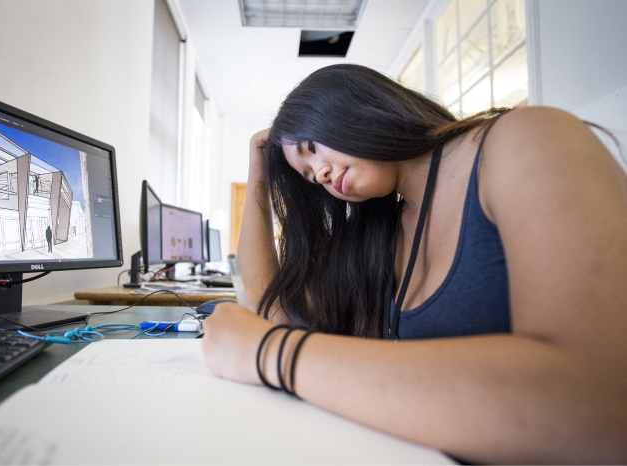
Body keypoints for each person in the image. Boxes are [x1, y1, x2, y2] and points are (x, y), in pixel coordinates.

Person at [200, 64, 627, 463]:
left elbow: (603, 401)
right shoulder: (385, 233)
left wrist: (272, 354)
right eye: (311, 176)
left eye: (313, 149)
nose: (322, 177)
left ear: (351, 105)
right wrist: (260, 179)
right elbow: (269, 311)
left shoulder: (526, 139)